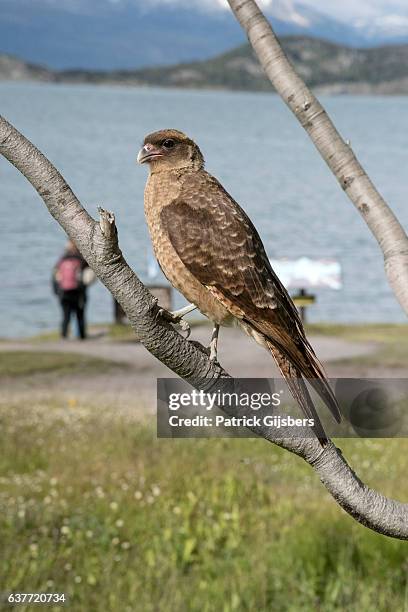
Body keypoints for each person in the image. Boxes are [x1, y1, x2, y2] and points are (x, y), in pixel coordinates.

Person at [53, 240, 93, 340]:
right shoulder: (81, 260)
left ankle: (64, 336)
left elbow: (55, 277)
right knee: (80, 315)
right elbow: (89, 276)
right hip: (78, 292)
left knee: (66, 316)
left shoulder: (61, 260)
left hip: (63, 292)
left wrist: (57, 292)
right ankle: (82, 336)